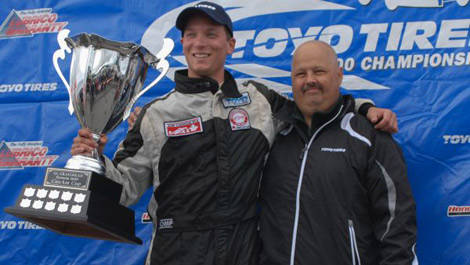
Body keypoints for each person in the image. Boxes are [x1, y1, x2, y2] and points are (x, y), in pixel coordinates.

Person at [71, 2, 398, 265]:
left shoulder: (259, 99)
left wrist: (365, 108)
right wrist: (94, 162)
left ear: (230, 44)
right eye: (191, 34)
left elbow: (315, 105)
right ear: (183, 44)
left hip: (244, 249)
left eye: (211, 34)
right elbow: (125, 190)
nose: (200, 43)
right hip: (176, 250)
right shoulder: (157, 113)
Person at [258, 40, 418, 265]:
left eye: (319, 71)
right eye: (300, 74)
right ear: (292, 81)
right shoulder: (273, 134)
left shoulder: (369, 137)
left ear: (339, 75)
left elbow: (397, 222)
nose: (310, 80)